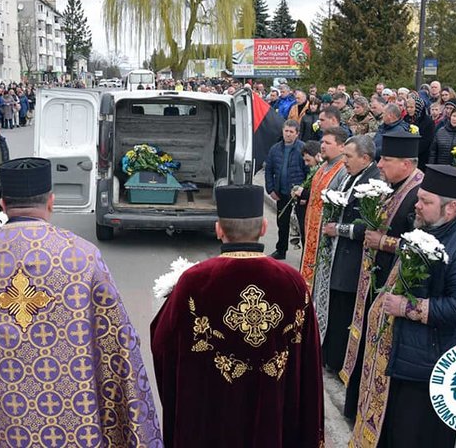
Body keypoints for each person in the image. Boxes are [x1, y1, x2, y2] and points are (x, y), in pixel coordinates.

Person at [0, 157, 162, 447]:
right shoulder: (83, 256)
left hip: (1, 414)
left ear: (3, 205)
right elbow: (117, 339)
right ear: (51, 202)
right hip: (74, 415)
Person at [151, 184, 324, 447]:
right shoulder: (293, 282)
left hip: (212, 417)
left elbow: (162, 344)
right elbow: (308, 357)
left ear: (219, 229)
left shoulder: (194, 281)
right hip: (273, 415)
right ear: (264, 228)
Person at [351, 165, 456, 447]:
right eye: (419, 198)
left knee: (419, 437)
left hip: (431, 367)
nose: (417, 205)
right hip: (407, 358)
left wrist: (406, 307)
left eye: (426, 201)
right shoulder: (429, 230)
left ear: (450, 208)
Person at [340, 130, 424, 419]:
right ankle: (357, 407)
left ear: (407, 163)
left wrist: (384, 243)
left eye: (387, 160)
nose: (381, 165)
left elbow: (424, 245)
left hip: (396, 282)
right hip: (375, 277)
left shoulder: (418, 193)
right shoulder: (391, 184)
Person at [317, 135, 379, 371]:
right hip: (338, 256)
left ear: (365, 158)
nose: (344, 161)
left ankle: (337, 360)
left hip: (352, 260)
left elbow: (368, 226)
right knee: (334, 308)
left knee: (343, 311)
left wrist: (339, 229)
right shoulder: (352, 175)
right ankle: (327, 355)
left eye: (349, 157)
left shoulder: (373, 181)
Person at [299, 126, 348, 289]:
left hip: (325, 238)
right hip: (311, 234)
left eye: (328, 142)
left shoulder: (343, 170)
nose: (322, 145)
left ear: (342, 146)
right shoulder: (322, 166)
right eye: (322, 142)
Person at [265, 120, 308, 259]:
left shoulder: (303, 149)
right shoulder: (275, 149)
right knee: (282, 224)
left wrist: (304, 193)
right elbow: (269, 170)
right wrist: (270, 189)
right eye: (286, 131)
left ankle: (306, 256)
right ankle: (281, 250)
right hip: (281, 193)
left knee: (302, 226)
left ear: (297, 134)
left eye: (291, 132)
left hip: (298, 195)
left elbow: (309, 172)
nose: (288, 134)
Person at [293, 140, 321, 246]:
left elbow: (319, 194)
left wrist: (304, 193)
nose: (306, 164)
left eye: (308, 160)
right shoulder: (313, 170)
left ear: (317, 156)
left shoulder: (321, 171)